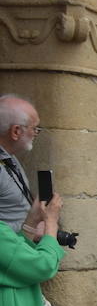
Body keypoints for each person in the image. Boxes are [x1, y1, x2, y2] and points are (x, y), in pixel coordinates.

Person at [0, 95, 40, 231]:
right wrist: (32, 229)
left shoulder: (9, 156)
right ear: (16, 131)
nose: (36, 133)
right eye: (34, 128)